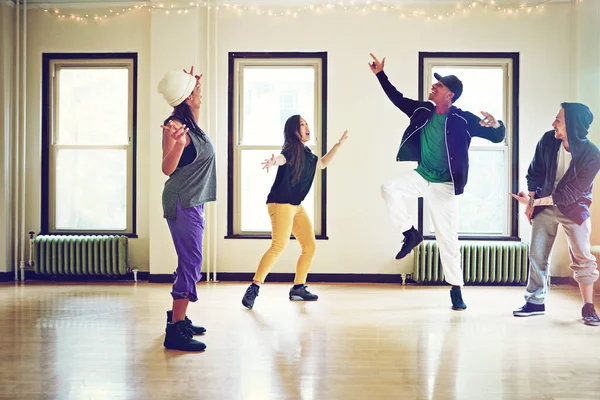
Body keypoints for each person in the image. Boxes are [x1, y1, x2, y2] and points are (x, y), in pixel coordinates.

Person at [369, 53, 506, 310]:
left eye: (439, 85)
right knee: (389, 188)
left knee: (448, 238)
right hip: (422, 176)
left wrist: (497, 125)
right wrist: (380, 75)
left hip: (445, 186)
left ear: (450, 94)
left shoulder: (463, 119)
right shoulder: (422, 110)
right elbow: (397, 98)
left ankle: (456, 289)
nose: (434, 87)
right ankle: (410, 234)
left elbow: (496, 137)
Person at [241, 115, 348, 309]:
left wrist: (337, 146)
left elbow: (322, 164)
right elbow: (282, 158)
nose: (307, 126)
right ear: (294, 131)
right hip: (280, 203)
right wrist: (274, 162)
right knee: (278, 246)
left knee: (310, 245)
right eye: (302, 124)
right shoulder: (291, 149)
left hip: (295, 205)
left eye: (307, 123)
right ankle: (254, 287)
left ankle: (298, 287)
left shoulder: (307, 154)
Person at [511, 103, 600, 326]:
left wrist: (533, 201)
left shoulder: (592, 155)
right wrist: (530, 203)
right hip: (544, 204)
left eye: (558, 120)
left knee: (582, 256)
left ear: (573, 125)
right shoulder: (549, 140)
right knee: (538, 254)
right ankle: (535, 302)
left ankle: (588, 307)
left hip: (574, 208)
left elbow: (569, 195)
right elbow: (535, 171)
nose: (553, 124)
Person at [157, 66, 217, 350]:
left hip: (193, 200)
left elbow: (195, 120)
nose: (201, 96)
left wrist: (194, 83)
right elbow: (167, 168)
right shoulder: (174, 126)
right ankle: (176, 331)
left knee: (188, 260)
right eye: (197, 93)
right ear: (185, 99)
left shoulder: (192, 123)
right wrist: (178, 144)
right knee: (191, 262)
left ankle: (179, 317)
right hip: (182, 200)